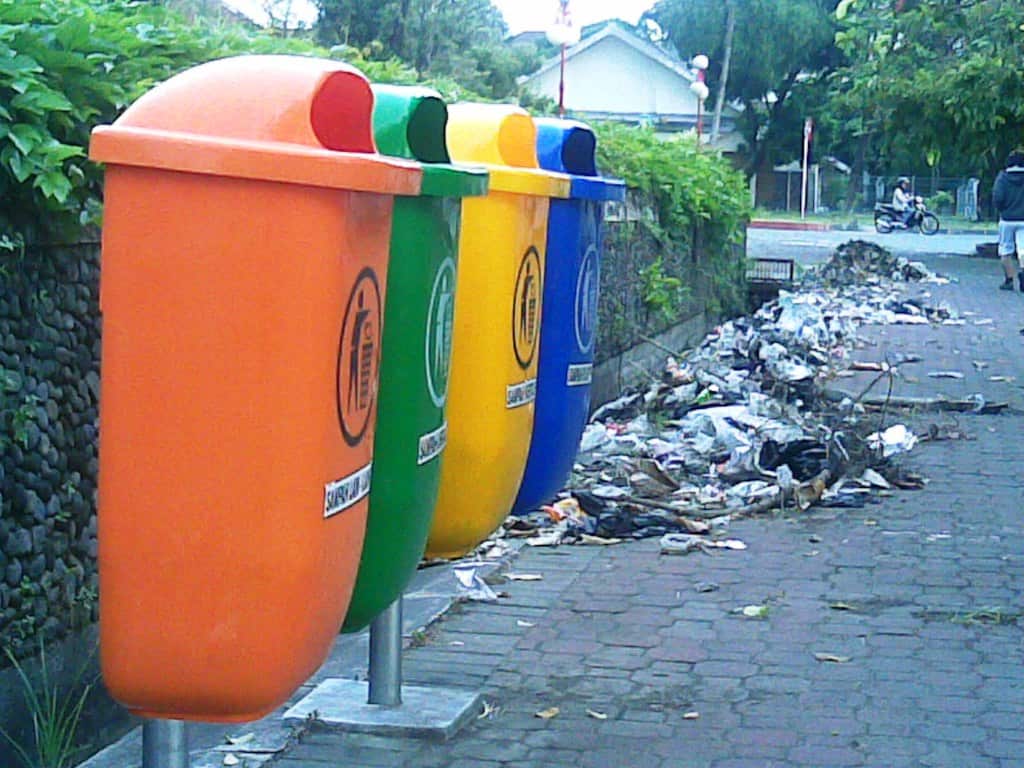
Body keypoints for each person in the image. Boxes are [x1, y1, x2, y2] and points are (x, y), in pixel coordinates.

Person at [992, 149, 1024, 291]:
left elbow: (998, 198)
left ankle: (1009, 280)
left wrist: (1002, 209)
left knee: (1006, 250)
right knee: (1023, 250)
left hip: (1007, 219)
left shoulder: (1002, 178)